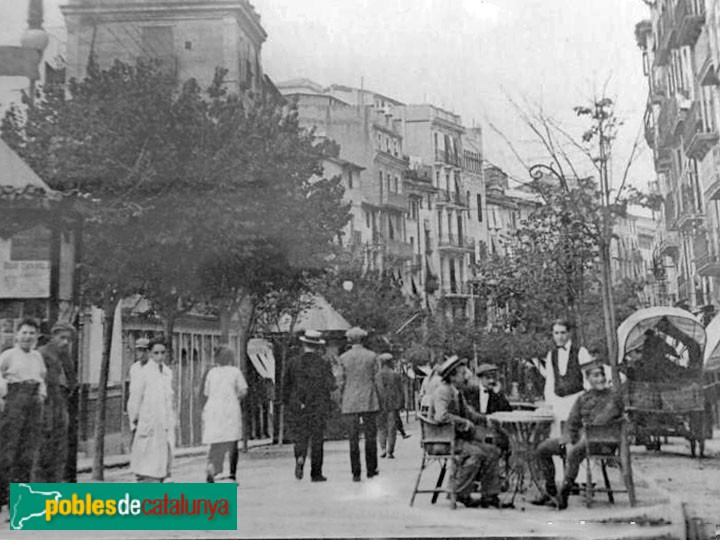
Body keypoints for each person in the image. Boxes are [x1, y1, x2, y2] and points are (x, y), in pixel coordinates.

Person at [533, 356, 623, 509]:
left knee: (574, 452)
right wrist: (567, 438)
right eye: (595, 376)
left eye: (602, 375)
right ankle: (551, 492)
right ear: (587, 379)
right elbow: (572, 421)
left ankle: (564, 495)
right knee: (543, 449)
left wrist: (579, 437)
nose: (600, 379)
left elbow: (602, 420)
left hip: (603, 442)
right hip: (580, 440)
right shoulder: (583, 398)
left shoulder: (613, 397)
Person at [428, 356, 503, 509]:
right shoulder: (443, 392)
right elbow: (441, 416)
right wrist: (464, 423)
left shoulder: (456, 392)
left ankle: (489, 495)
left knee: (492, 451)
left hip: (454, 439)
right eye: (463, 374)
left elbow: (469, 413)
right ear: (453, 376)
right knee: (477, 453)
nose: (466, 377)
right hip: (441, 441)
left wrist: (486, 419)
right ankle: (458, 493)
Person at [0, 318, 47, 511]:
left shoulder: (37, 357)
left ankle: (19, 503)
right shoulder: (8, 355)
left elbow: (42, 378)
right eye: (24, 333)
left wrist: (41, 394)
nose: (27, 337)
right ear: (17, 335)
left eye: (31, 333)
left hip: (33, 404)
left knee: (27, 454)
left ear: (36, 337)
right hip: (14, 401)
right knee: (9, 452)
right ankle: (4, 498)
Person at [283, 330, 336, 482]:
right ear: (318, 346)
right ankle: (316, 472)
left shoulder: (293, 362)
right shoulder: (323, 363)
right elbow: (330, 385)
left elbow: (286, 385)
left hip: (298, 405)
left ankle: (300, 457)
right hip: (317, 406)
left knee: (300, 436)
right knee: (317, 439)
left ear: (304, 344)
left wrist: (287, 402)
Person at [530, 319, 592, 437]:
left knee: (575, 435)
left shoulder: (581, 352)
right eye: (556, 333)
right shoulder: (551, 355)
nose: (560, 337)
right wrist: (550, 403)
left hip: (576, 400)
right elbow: (550, 381)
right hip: (558, 402)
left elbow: (588, 380)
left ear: (569, 333)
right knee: (557, 436)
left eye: (563, 333)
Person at [127, 338, 175, 483]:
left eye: (162, 353)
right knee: (147, 465)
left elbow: (169, 399)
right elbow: (135, 398)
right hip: (148, 422)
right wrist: (134, 420)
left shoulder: (167, 372)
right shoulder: (143, 372)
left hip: (164, 423)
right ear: (150, 354)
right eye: (156, 353)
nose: (160, 356)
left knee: (163, 461)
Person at [34, 322, 77, 483]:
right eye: (62, 338)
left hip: (61, 406)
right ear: (53, 337)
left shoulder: (65, 356)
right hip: (45, 407)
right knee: (44, 451)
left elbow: (72, 382)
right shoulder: (42, 354)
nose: (65, 342)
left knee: (60, 452)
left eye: (69, 339)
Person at [338, 327, 380, 482]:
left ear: (349, 340)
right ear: (363, 339)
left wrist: (340, 399)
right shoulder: (372, 356)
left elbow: (340, 381)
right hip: (369, 399)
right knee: (370, 436)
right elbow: (377, 378)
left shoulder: (343, 358)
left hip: (350, 401)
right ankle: (371, 469)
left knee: (353, 438)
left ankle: (356, 472)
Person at [202, 345, 248, 483]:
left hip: (213, 409)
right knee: (232, 441)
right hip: (230, 409)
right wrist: (237, 397)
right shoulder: (235, 372)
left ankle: (214, 468)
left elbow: (206, 392)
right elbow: (244, 390)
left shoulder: (212, 373)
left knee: (216, 441)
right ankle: (232, 474)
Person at [375, 353, 404, 459]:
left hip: (379, 404)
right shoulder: (396, 375)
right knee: (392, 428)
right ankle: (389, 451)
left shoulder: (377, 375)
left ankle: (382, 448)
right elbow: (400, 391)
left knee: (381, 427)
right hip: (393, 405)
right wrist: (401, 404)